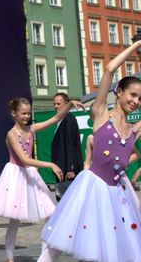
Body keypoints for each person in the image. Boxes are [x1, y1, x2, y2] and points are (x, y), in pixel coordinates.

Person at [38, 41, 141, 262]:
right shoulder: (102, 114)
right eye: (132, 94)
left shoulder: (134, 130)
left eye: (140, 98)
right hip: (92, 189)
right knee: (59, 242)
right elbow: (109, 69)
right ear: (119, 91)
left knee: (110, 249)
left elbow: (127, 155)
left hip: (118, 194)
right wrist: (138, 45)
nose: (135, 101)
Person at [0, 97, 83, 262]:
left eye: (28, 113)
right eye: (23, 113)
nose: (26, 116)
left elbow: (55, 118)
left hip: (31, 175)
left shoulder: (31, 129)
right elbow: (24, 160)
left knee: (51, 215)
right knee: (15, 220)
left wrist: (69, 105)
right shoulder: (11, 134)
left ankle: (44, 257)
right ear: (14, 113)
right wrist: (50, 164)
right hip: (16, 176)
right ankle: (9, 257)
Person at [51, 93, 83, 183]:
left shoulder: (69, 119)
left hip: (67, 170)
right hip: (61, 168)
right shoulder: (61, 119)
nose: (56, 106)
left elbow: (71, 145)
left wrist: (70, 168)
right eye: (54, 104)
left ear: (67, 104)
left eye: (58, 104)